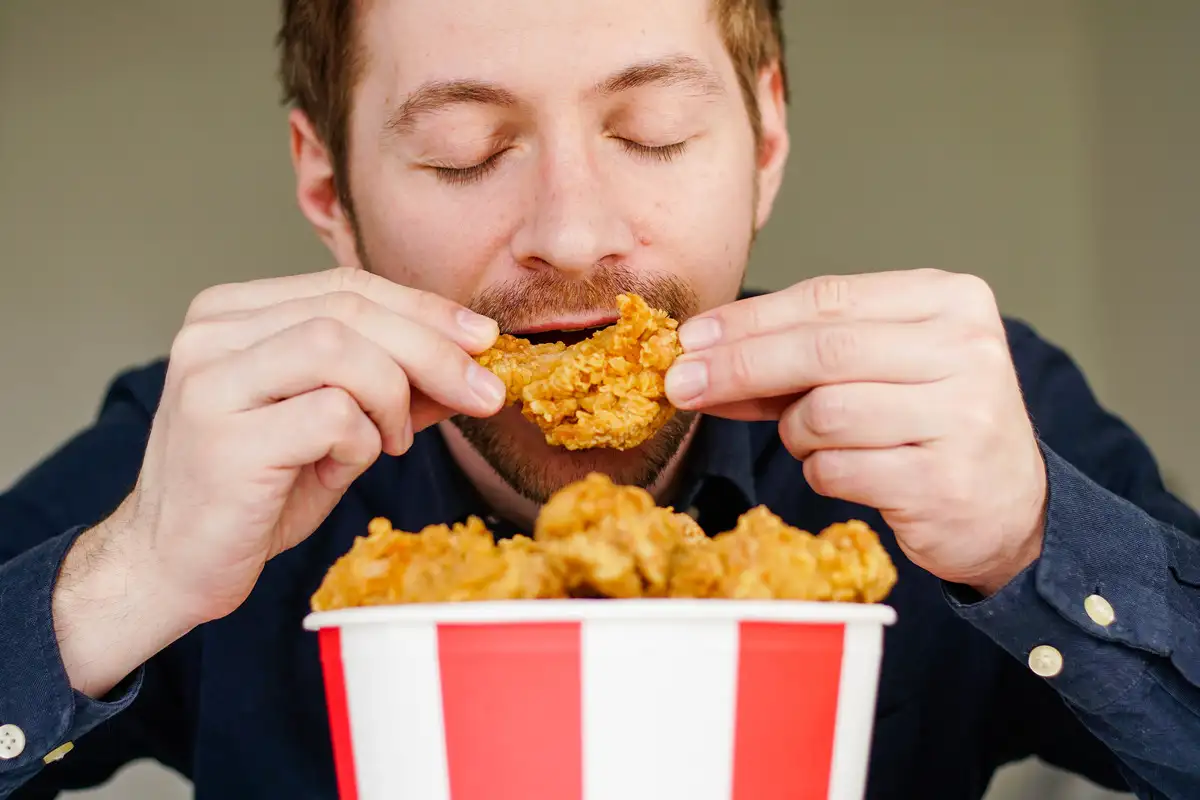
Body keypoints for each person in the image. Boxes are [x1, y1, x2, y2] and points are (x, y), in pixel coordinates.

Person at [1, 0, 1197, 797]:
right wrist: (125, 579)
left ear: (767, 136)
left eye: (655, 132)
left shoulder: (977, 418)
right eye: (465, 150)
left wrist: (1042, 542)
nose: (573, 232)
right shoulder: (204, 454)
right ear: (327, 185)